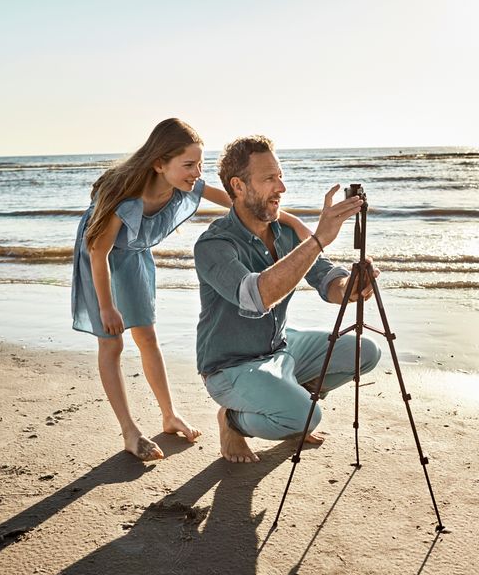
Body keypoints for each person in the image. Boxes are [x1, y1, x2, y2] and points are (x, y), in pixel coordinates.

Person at [71, 119, 313, 461]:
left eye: (199, 164)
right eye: (188, 165)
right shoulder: (124, 199)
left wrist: (294, 221)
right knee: (112, 342)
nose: (196, 172)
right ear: (159, 164)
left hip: (134, 257)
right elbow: (98, 251)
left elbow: (239, 203)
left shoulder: (187, 184)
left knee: (147, 338)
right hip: (100, 259)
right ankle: (129, 431)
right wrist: (107, 307)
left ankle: (169, 415)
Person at [194, 135, 382, 463]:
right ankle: (233, 420)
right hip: (230, 367)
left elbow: (328, 282)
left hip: (281, 348)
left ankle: (291, 404)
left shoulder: (286, 232)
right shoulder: (213, 245)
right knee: (307, 417)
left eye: (280, 176)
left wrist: (351, 286)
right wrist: (320, 238)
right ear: (238, 186)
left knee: (366, 352)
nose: (281, 187)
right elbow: (256, 297)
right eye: (269, 179)